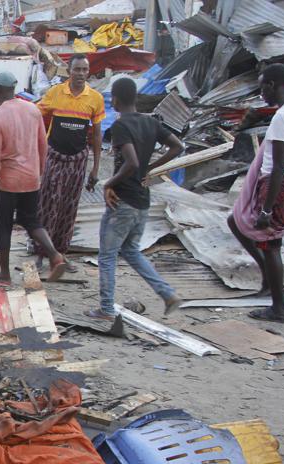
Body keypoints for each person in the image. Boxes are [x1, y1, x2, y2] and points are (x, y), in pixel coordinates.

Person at [85, 77, 183, 320]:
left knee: (107, 255)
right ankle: (167, 293)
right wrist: (151, 169)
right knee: (131, 250)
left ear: (115, 100)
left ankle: (106, 308)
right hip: (141, 199)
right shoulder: (150, 122)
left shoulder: (120, 127)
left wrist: (110, 182)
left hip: (123, 200)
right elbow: (177, 147)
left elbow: (131, 162)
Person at [227, 64, 284, 323]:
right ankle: (268, 280)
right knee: (237, 221)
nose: (262, 93)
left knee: (270, 244)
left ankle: (277, 308)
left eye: (263, 86)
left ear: (272, 84)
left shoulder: (283, 117)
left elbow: (278, 166)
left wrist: (267, 209)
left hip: (278, 185)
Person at [0, 72, 67, 286]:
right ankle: (55, 256)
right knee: (31, 221)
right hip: (31, 178)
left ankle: (4, 275)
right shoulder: (32, 110)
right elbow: (42, 145)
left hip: (9, 181)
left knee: (2, 227)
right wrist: (39, 172)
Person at [35, 53, 105, 269]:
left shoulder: (94, 99)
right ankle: (40, 254)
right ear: (69, 70)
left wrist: (95, 168)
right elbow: (36, 115)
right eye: (77, 69)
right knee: (48, 204)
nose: (81, 74)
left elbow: (96, 135)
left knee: (68, 207)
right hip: (54, 157)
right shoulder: (56, 93)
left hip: (78, 161)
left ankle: (60, 253)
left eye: (85, 70)